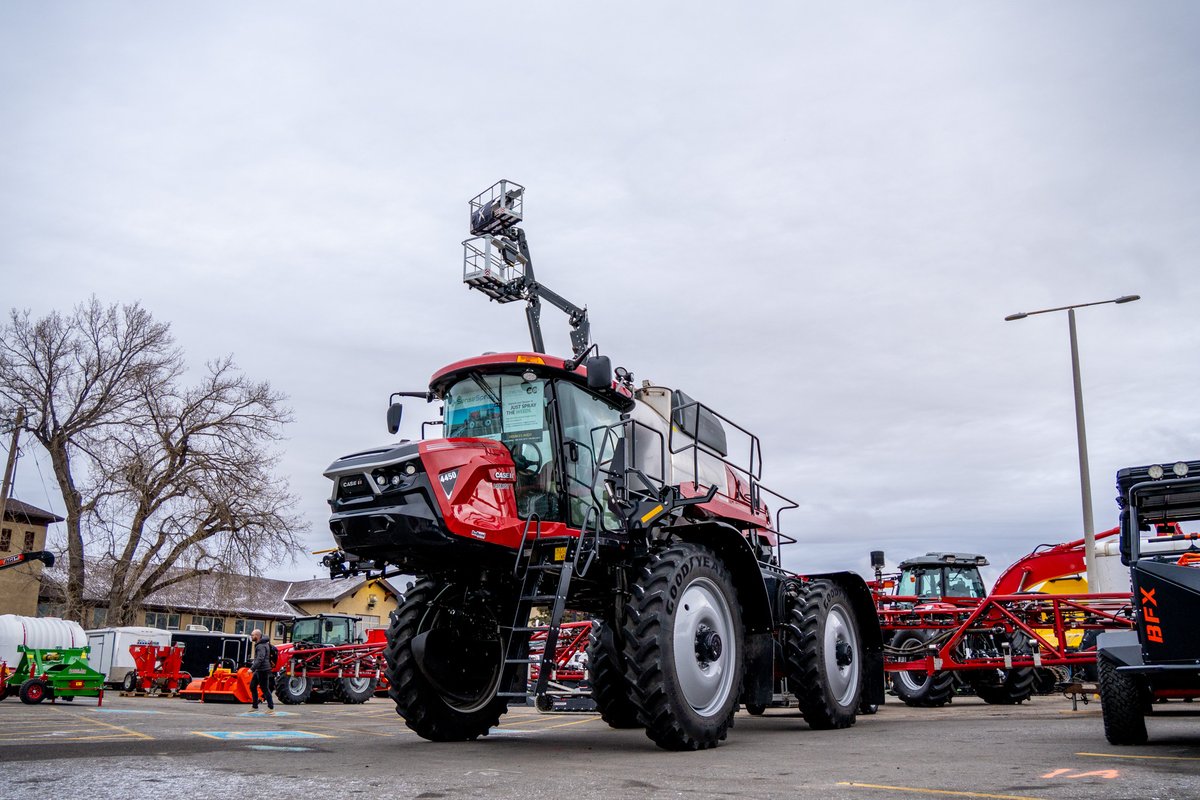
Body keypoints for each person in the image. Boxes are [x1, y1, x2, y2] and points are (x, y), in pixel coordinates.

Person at [249, 628, 275, 713]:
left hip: (263, 670)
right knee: (252, 686)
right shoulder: (260, 644)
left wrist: (252, 669)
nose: (251, 636)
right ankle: (255, 706)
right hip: (259, 669)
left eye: (252, 635)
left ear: (257, 636)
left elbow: (260, 658)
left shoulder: (261, 646)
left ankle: (271, 708)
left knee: (265, 688)